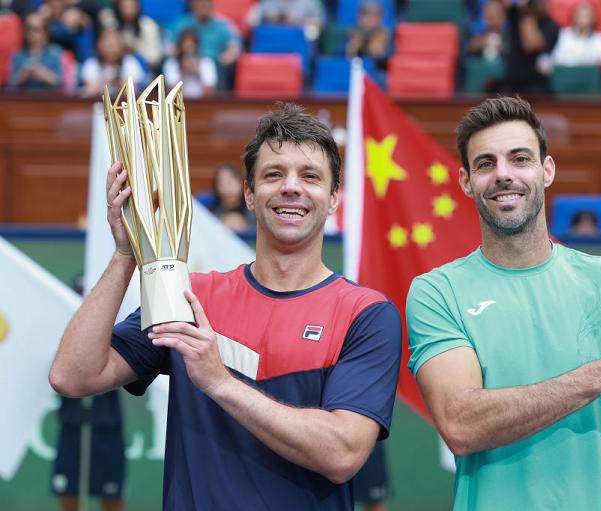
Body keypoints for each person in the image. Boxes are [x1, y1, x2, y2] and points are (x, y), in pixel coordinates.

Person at [49, 103, 402, 510]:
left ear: (335, 197)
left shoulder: (367, 314)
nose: (291, 187)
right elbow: (72, 376)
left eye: (310, 176)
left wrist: (220, 383)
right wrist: (127, 251)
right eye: (273, 174)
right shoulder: (190, 296)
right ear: (249, 195)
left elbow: (342, 454)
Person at [405, 96, 601, 510]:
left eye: (520, 159)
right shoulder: (437, 291)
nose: (503, 175)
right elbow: (461, 425)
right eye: (486, 164)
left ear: (547, 170)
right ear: (466, 181)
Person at [51, 274, 126, 511]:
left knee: (111, 497)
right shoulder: (61, 332)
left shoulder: (115, 327)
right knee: (68, 494)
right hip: (72, 425)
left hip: (106, 426)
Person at [169, 0, 240, 89]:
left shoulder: (222, 25)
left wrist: (225, 58)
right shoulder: (182, 23)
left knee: (215, 69)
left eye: (208, 2)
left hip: (216, 64)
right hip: (186, 60)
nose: (205, 5)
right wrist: (182, 56)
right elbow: (170, 47)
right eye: (201, 2)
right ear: (193, 4)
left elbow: (234, 47)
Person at [502, 0, 559, 93]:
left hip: (536, 84)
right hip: (512, 82)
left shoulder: (552, 26)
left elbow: (531, 46)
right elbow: (499, 5)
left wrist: (526, 13)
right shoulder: (516, 13)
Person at [550, 2, 601, 68]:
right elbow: (555, 59)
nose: (583, 20)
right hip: (568, 77)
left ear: (593, 18)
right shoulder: (565, 35)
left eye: (586, 16)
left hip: (591, 79)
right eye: (580, 16)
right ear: (574, 17)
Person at [80, 28, 146, 96]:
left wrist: (106, 84)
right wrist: (114, 83)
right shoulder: (91, 64)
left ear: (121, 45)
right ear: (98, 45)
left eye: (113, 45)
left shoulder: (130, 63)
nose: (110, 49)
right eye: (108, 44)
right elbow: (90, 90)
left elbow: (131, 90)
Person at [8, 12, 63, 90]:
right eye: (29, 30)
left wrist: (43, 74)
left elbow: (62, 85)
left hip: (49, 100)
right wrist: (22, 76)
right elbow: (9, 87)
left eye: (37, 30)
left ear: (45, 32)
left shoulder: (55, 53)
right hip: (24, 100)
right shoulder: (17, 55)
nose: (33, 34)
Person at [162, 28, 218, 98]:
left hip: (202, 104)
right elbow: (170, 93)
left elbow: (211, 93)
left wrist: (197, 73)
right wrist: (183, 72)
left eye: (192, 44)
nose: (188, 47)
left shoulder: (207, 63)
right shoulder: (171, 64)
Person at [111, 0, 162, 71]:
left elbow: (155, 57)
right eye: (125, 7)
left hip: (144, 69)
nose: (129, 11)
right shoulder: (111, 25)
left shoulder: (148, 26)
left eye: (132, 7)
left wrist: (134, 54)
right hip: (113, 67)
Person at [246, 0, 326, 42]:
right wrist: (267, 19)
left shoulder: (310, 2)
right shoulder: (269, 2)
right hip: (271, 40)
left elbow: (320, 24)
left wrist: (297, 21)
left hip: (299, 41)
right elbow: (250, 21)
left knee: (312, 33)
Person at [207, 162, 255, 230]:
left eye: (230, 181)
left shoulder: (254, 209)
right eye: (221, 182)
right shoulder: (210, 213)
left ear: (241, 183)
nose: (226, 186)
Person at [346, 0, 389, 70]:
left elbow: (393, 63)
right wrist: (352, 49)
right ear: (359, 18)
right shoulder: (353, 34)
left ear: (381, 18)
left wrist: (380, 55)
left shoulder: (387, 35)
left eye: (375, 17)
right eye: (367, 16)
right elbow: (336, 59)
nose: (371, 21)